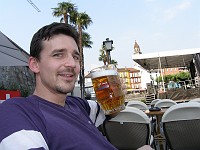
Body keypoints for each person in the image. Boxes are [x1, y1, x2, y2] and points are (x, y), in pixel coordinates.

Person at [0, 22, 152, 150]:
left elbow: (108, 111)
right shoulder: (17, 111)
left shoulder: (79, 106)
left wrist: (117, 95)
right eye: (58, 54)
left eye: (76, 56)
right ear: (34, 64)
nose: (72, 64)